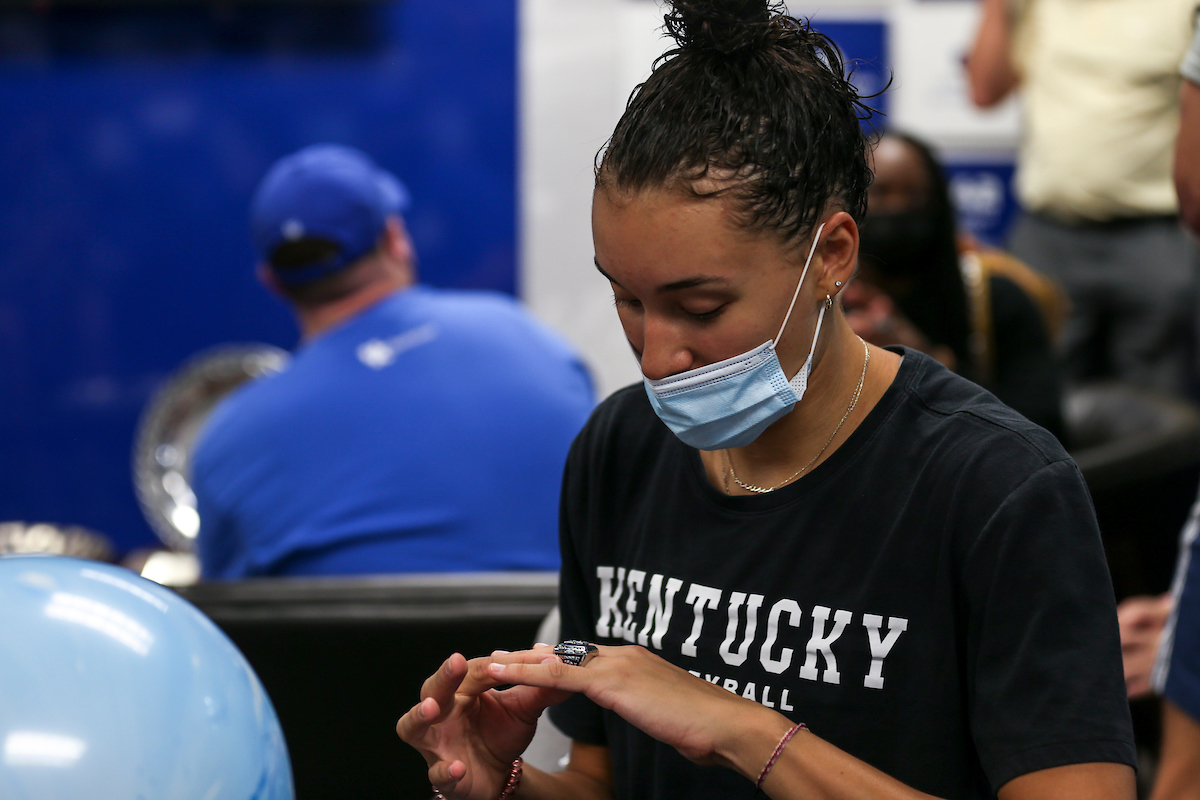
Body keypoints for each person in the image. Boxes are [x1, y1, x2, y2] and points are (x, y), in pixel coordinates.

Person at [397, 3, 1136, 798]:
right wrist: (499, 785)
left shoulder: (997, 489)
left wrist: (743, 729)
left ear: (833, 257)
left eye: (702, 307)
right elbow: (601, 781)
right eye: (628, 300)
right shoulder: (621, 450)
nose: (656, 355)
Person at [190, 144, 594, 579]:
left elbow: (227, 615)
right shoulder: (527, 338)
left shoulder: (229, 437)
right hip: (552, 646)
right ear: (396, 239)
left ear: (272, 281)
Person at [966, 0, 1199, 396]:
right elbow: (984, 91)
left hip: (1156, 238)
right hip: (1047, 234)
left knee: (1159, 426)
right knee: (1030, 412)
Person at [848, 131, 1066, 441]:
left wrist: (928, 359)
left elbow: (1045, 425)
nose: (898, 208)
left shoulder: (994, 299)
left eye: (916, 196)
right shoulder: (819, 302)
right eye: (881, 193)